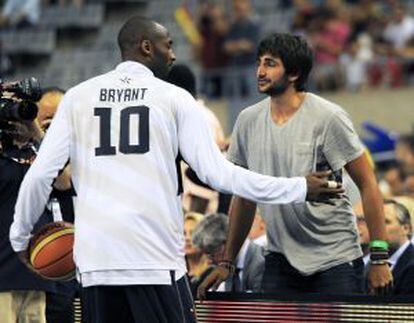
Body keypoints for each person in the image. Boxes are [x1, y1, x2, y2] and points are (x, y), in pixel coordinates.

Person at [10, 17, 342, 322]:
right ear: (145, 46)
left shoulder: (77, 97)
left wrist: (20, 238)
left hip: (97, 265)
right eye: (168, 44)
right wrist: (297, 188)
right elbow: (220, 175)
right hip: (154, 262)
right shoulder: (174, 98)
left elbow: (40, 174)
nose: (172, 54)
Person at [198, 33, 393, 299]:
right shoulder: (247, 120)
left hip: (335, 259)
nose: (260, 71)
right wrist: (227, 261)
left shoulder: (329, 116)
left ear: (294, 73)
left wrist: (380, 257)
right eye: (259, 63)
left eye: (270, 64)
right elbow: (244, 196)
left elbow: (368, 184)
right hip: (280, 259)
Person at [192, 213, 264, 293]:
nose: (210, 261)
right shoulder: (229, 266)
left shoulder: (260, 262)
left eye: (212, 255)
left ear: (227, 243)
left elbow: (260, 303)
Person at [381, 199, 414, 295]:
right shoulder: (370, 263)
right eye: (376, 223)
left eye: (386, 222)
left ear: (406, 228)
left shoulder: (411, 265)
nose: (378, 228)